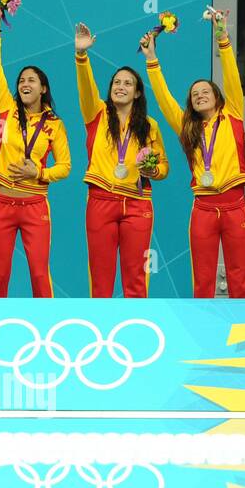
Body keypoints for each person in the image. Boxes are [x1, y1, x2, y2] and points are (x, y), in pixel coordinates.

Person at [142, 20, 245, 297]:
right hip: (203, 208)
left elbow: (231, 76)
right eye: (194, 94)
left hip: (235, 204)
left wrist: (223, 38)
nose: (200, 95)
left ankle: (244, 332)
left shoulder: (234, 115)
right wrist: (152, 59)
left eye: (206, 91)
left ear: (217, 97)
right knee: (202, 278)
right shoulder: (186, 128)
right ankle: (201, 332)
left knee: (240, 277)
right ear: (190, 103)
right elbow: (164, 98)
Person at [74, 21, 170, 297]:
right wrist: (82, 56)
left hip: (138, 204)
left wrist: (154, 171)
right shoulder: (96, 113)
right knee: (101, 281)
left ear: (137, 92)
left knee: (136, 280)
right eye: (116, 82)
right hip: (101, 199)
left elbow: (163, 166)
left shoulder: (149, 125)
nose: (120, 86)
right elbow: (86, 87)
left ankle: (135, 334)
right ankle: (102, 336)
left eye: (128, 83)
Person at [0, 6, 71, 298]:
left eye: (31, 80)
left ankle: (46, 332)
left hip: (35, 205)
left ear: (43, 88)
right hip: (1, 203)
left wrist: (40, 173)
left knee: (39, 273)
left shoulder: (55, 125)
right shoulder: (7, 110)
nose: (24, 84)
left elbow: (66, 166)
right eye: (21, 80)